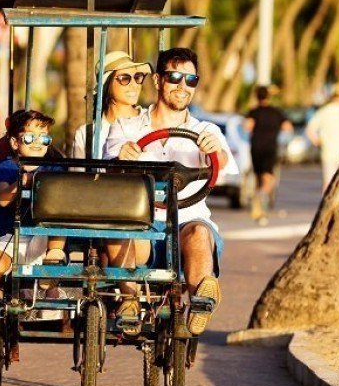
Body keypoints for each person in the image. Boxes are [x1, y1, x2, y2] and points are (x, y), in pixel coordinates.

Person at [107, 47, 233, 335]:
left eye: (191, 80)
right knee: (124, 230)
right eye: (175, 77)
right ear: (158, 80)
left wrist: (215, 153)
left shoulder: (206, 131)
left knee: (199, 232)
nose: (182, 86)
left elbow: (223, 163)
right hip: (141, 226)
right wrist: (121, 158)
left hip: (187, 224)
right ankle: (129, 301)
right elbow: (109, 170)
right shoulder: (127, 128)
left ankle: (201, 298)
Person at [0, 110, 67, 348]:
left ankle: (52, 279)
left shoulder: (54, 168)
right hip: (13, 235)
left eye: (44, 138)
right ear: (15, 142)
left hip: (46, 236)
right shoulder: (8, 167)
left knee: (60, 216)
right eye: (30, 138)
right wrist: (22, 183)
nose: (38, 144)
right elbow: (1, 198)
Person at [70, 50, 149, 158]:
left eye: (137, 77)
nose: (134, 84)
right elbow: (78, 174)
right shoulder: (86, 133)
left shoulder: (150, 120)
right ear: (107, 84)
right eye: (125, 78)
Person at [244, 85, 292, 224]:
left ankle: (259, 210)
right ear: (268, 97)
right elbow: (288, 127)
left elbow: (247, 126)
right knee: (269, 179)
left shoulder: (253, 112)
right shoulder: (276, 112)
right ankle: (260, 198)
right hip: (270, 147)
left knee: (259, 178)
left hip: (256, 147)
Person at [306, 83, 339, 190]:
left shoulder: (324, 111)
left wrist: (318, 142)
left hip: (328, 151)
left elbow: (309, 130)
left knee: (328, 182)